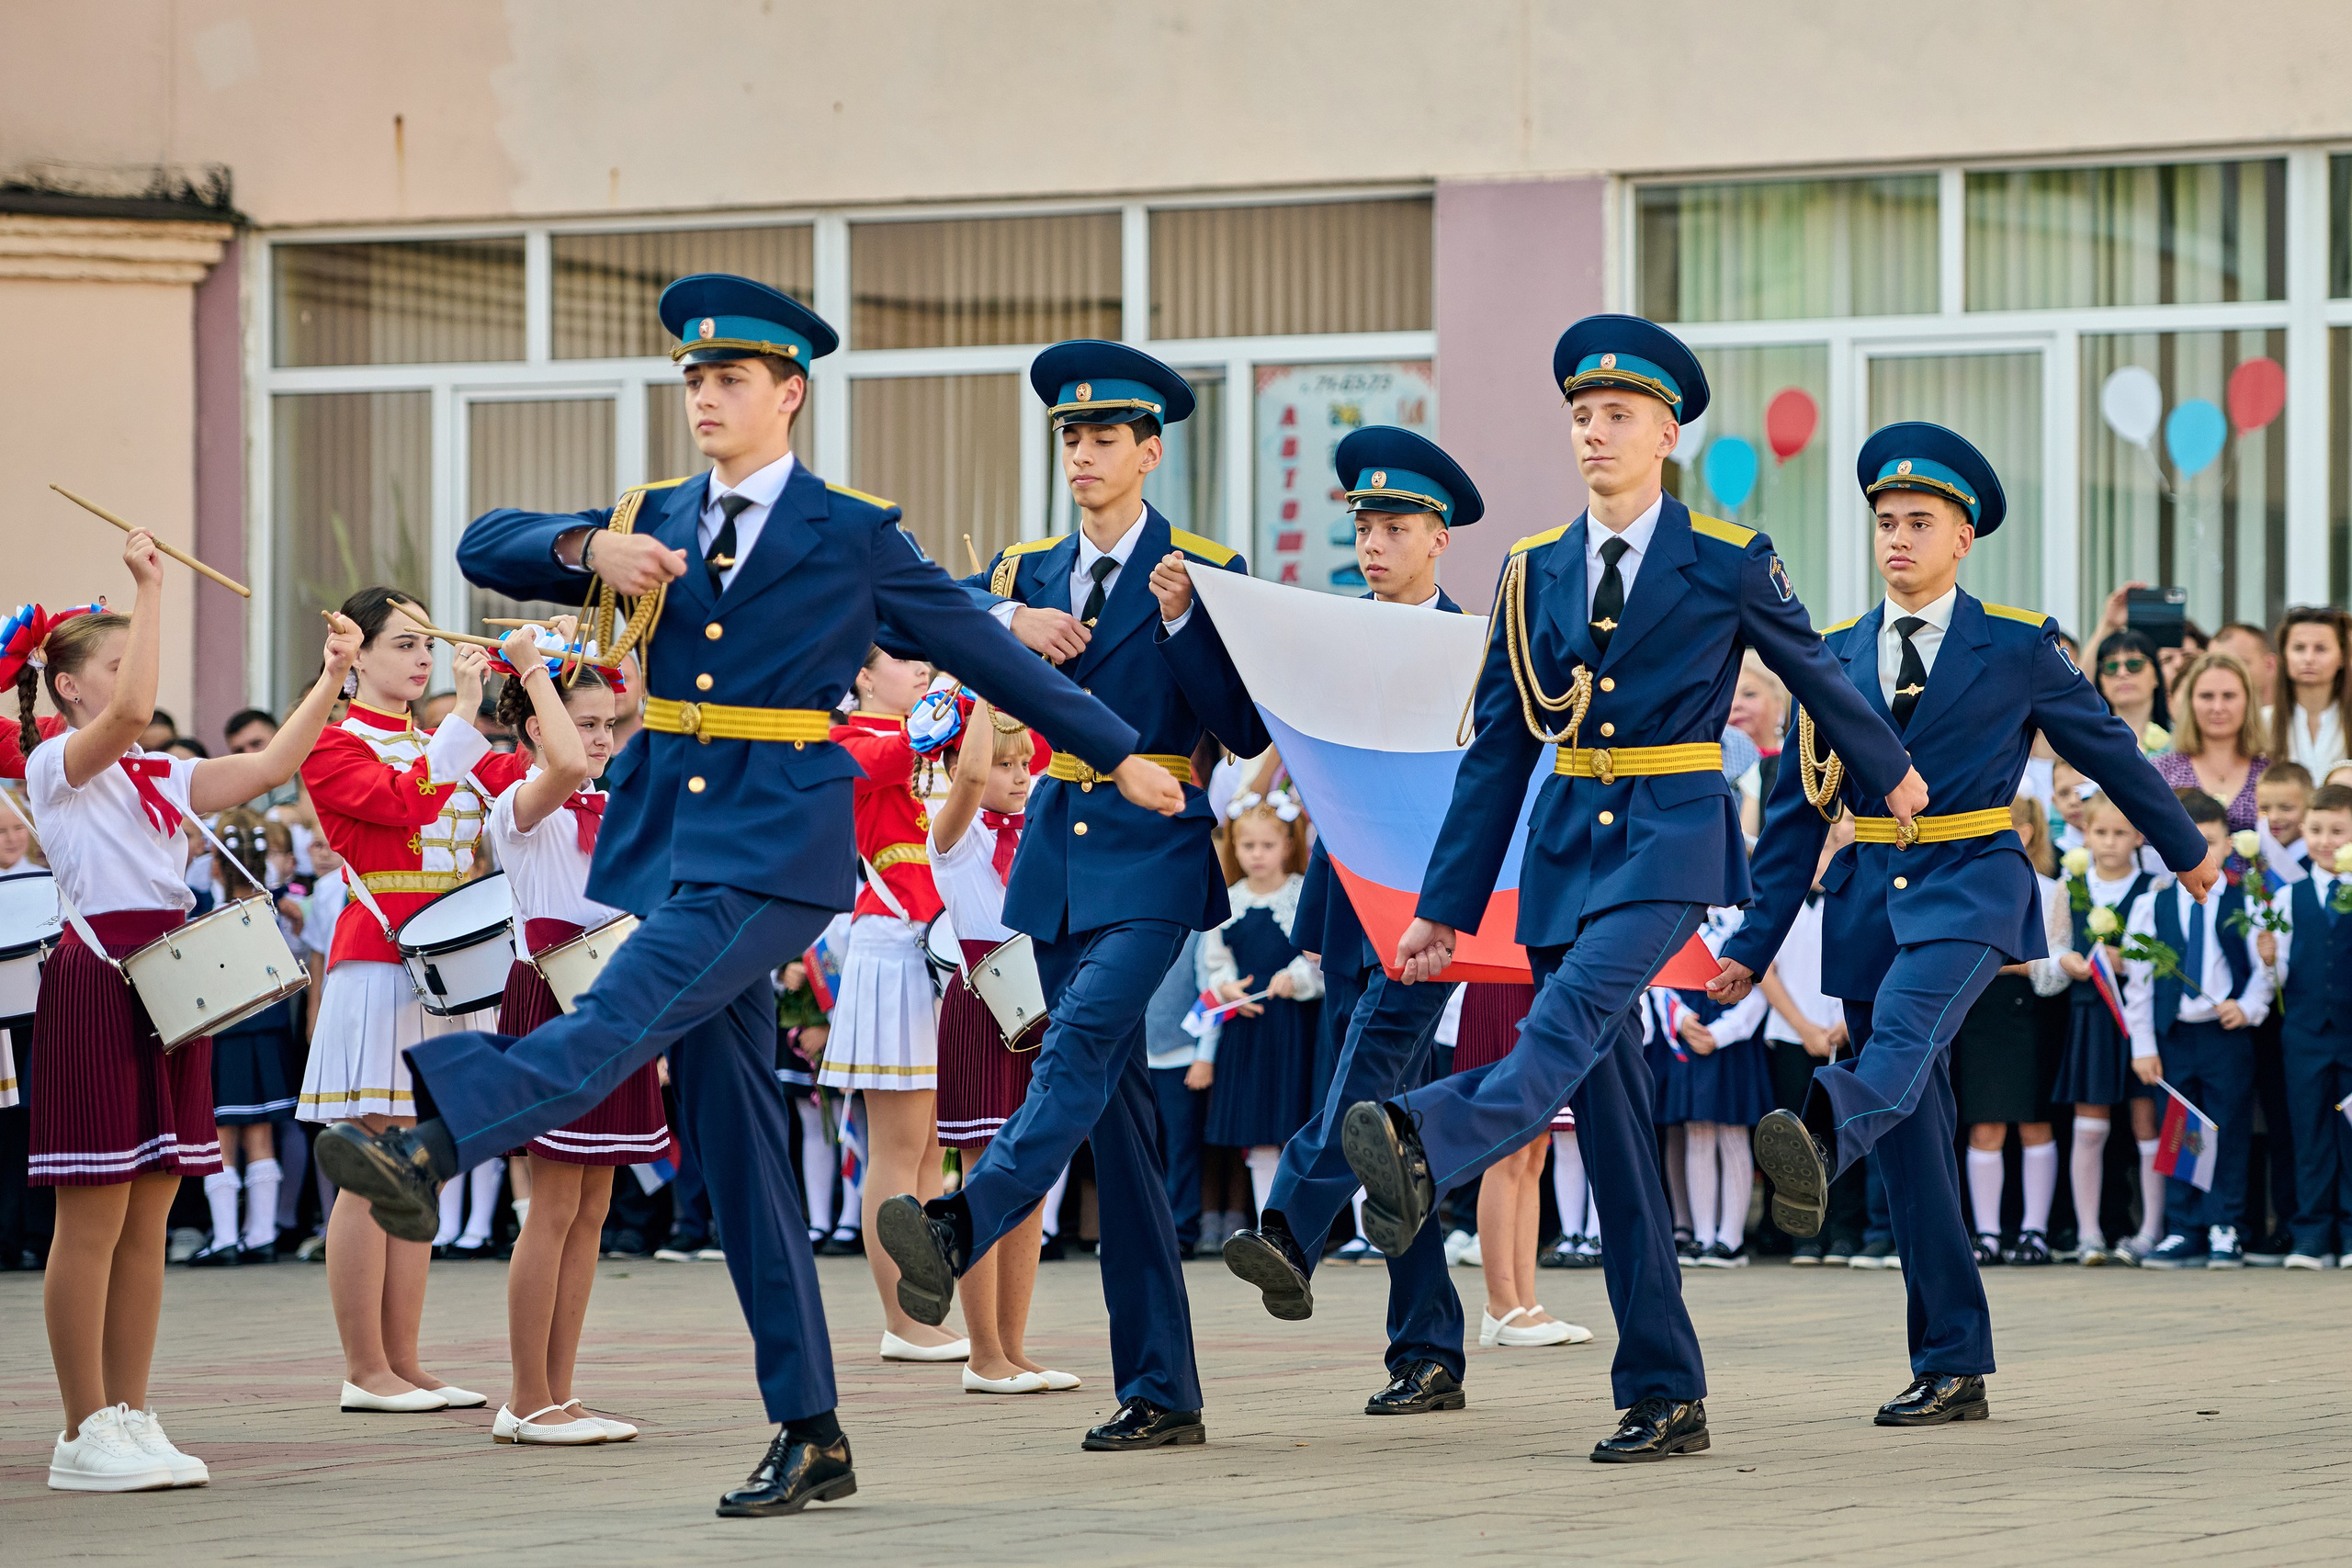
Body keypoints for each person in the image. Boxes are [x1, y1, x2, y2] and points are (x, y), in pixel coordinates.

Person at [318, 276, 1164, 1517]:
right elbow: (480, 542)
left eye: (729, 379)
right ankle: (811, 1427)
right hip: (669, 832)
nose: (705, 395)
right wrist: (584, 548)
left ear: (788, 394)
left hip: (777, 838)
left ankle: (437, 1139)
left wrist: (1117, 747)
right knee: (744, 1150)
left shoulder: (849, 527)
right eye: (693, 379)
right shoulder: (653, 515)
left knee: (624, 1009)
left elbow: (981, 649)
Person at [1343, 317, 1927, 1463]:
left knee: (1558, 1029)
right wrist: (1444, 907)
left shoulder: (1725, 558)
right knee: (1610, 1140)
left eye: (1616, 417)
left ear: (1666, 433)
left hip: (1668, 839)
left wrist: (1889, 766)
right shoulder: (1530, 571)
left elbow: (1813, 670)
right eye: (1579, 416)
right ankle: (1665, 1391)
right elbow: (1501, 752)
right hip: (1564, 848)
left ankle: (1419, 1136)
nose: (1593, 433)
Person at [1718, 423, 2211, 1428]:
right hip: (1865, 893)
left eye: (1919, 523)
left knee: (1900, 1032)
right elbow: (1790, 819)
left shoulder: (2018, 644)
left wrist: (2189, 849)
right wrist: (1750, 947)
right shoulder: (1834, 652)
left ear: (1962, 537)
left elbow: (2113, 753)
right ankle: (1952, 1362)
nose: (1897, 539)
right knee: (1913, 1138)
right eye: (1884, 523)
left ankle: (1820, 1130)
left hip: (1972, 879)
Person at [875, 337, 1268, 1456]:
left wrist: (1189, 623)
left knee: (1084, 1037)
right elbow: (910, 616)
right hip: (1049, 857)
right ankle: (1162, 1388)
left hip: (1156, 844)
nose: (1084, 454)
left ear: (1149, 453)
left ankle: (963, 1218)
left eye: (1105, 438)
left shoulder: (1205, 562)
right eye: (1070, 437)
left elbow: (1240, 730)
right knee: (1123, 1140)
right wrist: (1003, 626)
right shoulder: (1025, 569)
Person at [14, 545, 359, 1492]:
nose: (136, 687)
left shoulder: (157, 776)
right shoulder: (57, 763)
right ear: (66, 690)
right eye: (116, 667)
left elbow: (274, 764)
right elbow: (131, 712)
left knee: (153, 1213)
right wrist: (152, 587)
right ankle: (80, 1427)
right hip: (99, 979)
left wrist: (332, 675)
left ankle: (130, 1410)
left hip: (177, 983)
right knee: (93, 1215)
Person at [1221, 425, 1480, 1417]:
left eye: (1394, 526)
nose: (1373, 544)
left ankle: (1294, 1228)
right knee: (1380, 1128)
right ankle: (1424, 1350)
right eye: (1363, 527)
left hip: (1429, 914)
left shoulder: (1473, 648)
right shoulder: (1333, 641)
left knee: (1377, 1108)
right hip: (1342, 912)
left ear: (1437, 536)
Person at [298, 586, 526, 1416]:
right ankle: (364, 1367)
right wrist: (466, 712)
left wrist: (547, 671)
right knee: (369, 1162)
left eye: (427, 642)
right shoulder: (330, 742)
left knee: (419, 1162)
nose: (423, 658)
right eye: (403, 643)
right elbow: (400, 807)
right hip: (378, 962)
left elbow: (540, 777)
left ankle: (405, 1360)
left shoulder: (442, 737)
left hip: (454, 967)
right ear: (354, 654)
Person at [482, 624, 662, 1445]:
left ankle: (561, 1388)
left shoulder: (611, 803)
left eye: (605, 724)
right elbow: (558, 764)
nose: (597, 739)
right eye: (584, 721)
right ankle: (525, 1397)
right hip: (550, 996)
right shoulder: (520, 803)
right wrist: (530, 666)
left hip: (612, 999)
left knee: (594, 1202)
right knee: (553, 1202)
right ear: (538, 725)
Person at [922, 689, 1079, 1393]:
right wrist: (988, 682)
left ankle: (1014, 1348)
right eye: (1003, 763)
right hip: (984, 1004)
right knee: (987, 1173)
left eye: (1025, 763)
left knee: (1032, 1179)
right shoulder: (952, 833)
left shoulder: (1043, 820)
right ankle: (982, 1353)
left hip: (1042, 1004)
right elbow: (973, 777)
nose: (1017, 775)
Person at [822, 648, 970, 1364]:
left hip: (940, 950)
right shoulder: (850, 736)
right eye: (903, 658)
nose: (921, 667)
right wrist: (956, 702)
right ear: (861, 672)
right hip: (889, 946)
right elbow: (891, 759)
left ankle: (923, 1307)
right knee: (898, 1144)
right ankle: (899, 1317)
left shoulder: (933, 727)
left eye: (926, 657)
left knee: (933, 1146)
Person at [2123, 790, 2267, 1269]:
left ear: (2229, 844)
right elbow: (2140, 983)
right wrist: (2143, 1044)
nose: (2202, 852)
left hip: (2224, 1034)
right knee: (2180, 1130)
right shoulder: (2154, 905)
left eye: (2210, 841)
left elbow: (2265, 969)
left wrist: (2246, 1007)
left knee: (2227, 1126)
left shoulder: (2247, 903)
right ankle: (2184, 1226)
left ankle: (2225, 1223)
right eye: (2190, 843)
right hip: (2175, 1035)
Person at [1949, 797, 2072, 1267]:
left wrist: (2012, 965)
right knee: (1985, 1124)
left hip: (2030, 1015)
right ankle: (1987, 1234)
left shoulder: (2052, 889)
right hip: (1980, 1014)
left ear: (2024, 833)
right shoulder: (1967, 885)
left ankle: (2035, 1232)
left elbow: (2053, 964)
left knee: (2036, 1121)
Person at [2047, 792, 2165, 1265]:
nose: (2110, 843)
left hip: (2136, 1022)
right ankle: (2089, 1233)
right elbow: (2053, 947)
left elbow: (2160, 955)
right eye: (2101, 833)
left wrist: (2127, 961)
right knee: (2090, 1126)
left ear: (2139, 836)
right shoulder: (2069, 885)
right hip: (2090, 1018)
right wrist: (2068, 961)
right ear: (2085, 834)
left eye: (2120, 833)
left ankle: (2151, 1229)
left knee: (2146, 1124)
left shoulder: (2153, 889)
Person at [1199, 793, 1321, 1233]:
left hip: (1292, 1029)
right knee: (1257, 1131)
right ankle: (1271, 1227)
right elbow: (1214, 966)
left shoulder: (1301, 897)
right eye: (1247, 846)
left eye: (1267, 846)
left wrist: (1298, 978)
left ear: (1287, 846)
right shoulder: (1228, 903)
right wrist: (1225, 987)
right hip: (1247, 1029)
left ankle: (1301, 1226)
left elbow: (1320, 959)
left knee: (1294, 1126)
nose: (1256, 855)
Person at [187, 808, 302, 1267]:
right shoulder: (276, 909)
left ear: (218, 863)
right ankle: (261, 1235)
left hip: (221, 1032)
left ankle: (227, 1238)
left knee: (221, 1134)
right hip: (268, 1030)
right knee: (260, 1133)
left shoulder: (199, 909)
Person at [1452, 981, 1593, 1340]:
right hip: (1506, 977)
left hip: (1541, 980)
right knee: (1509, 1149)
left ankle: (1525, 1302)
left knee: (1534, 1153)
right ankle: (1501, 1307)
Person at [1758, 818, 1858, 1265]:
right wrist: (1803, 1028)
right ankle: (1803, 1236)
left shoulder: (1851, 903)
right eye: (1815, 853)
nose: (1823, 862)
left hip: (1842, 1033)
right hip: (1793, 1035)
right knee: (1793, 1140)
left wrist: (1844, 1027)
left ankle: (1844, 1231)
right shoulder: (1786, 906)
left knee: (1842, 1132)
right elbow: (1765, 970)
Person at [2263, 782, 2352, 1269]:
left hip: (2350, 1034)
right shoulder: (2286, 898)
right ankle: (2312, 1233)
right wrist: (2268, 959)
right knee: (2311, 1133)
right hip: (2305, 1035)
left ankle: (2351, 1232)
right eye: (2316, 830)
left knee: (2351, 1133)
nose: (2325, 841)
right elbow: (2275, 977)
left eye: (2337, 831)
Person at [1668, 910, 1771, 1268]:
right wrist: (1680, 1019)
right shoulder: (1678, 914)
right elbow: (1658, 975)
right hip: (1689, 1032)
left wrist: (1722, 1034)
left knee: (1730, 1131)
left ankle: (1731, 1238)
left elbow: (1759, 984)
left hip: (1731, 1039)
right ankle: (1703, 1235)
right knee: (1697, 1131)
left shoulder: (1747, 919)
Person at [2153, 652, 2268, 830]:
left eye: (2229, 696)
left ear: (2248, 701)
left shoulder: (2269, 774)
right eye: (2207, 696)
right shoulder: (2161, 773)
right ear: (2190, 702)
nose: (2218, 707)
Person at [2270, 608, 2351, 777]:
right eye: (2299, 648)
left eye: (2321, 649)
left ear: (2342, 657)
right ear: (2284, 655)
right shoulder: (2264, 722)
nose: (2309, 658)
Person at [2092, 629, 2171, 755]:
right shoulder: (2087, 745)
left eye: (2134, 664)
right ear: (2100, 681)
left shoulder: (2182, 744)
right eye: (2111, 666)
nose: (2122, 673)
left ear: (2156, 675)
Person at [224, 707, 303, 812]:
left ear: (280, 735)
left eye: (256, 743)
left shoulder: (309, 781)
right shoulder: (233, 800)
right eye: (239, 750)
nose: (249, 754)